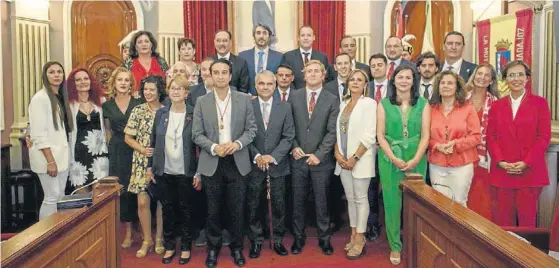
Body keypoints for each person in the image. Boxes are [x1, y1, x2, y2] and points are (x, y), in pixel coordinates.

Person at [192, 58, 257, 268]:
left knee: (237, 209)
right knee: (213, 210)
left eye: (224, 72)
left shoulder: (244, 99)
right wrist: (213, 147)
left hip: (237, 161)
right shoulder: (202, 101)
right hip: (212, 161)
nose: (220, 76)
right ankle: (213, 250)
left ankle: (237, 248)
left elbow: (251, 130)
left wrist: (237, 144)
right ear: (210, 76)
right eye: (216, 72)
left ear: (230, 75)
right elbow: (196, 134)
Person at [487, 60, 551, 227]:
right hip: (503, 172)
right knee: (503, 225)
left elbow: (543, 137)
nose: (516, 79)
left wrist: (526, 162)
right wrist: (501, 162)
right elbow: (491, 137)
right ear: (505, 79)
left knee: (526, 223)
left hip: (529, 172)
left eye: (520, 74)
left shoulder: (540, 103)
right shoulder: (496, 106)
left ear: (527, 78)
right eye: (511, 75)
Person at [376, 65, 430, 265]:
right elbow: (380, 135)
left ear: (414, 81)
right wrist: (393, 157)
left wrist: (416, 159)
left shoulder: (423, 104)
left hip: (416, 157)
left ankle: (417, 243)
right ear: (394, 80)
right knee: (392, 204)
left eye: (408, 77)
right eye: (400, 77)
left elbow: (426, 134)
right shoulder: (383, 103)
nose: (404, 80)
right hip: (390, 158)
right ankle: (395, 246)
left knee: (416, 204)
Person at [147, 76, 201, 265]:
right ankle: (170, 246)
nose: (176, 91)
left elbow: (200, 146)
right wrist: (149, 166)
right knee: (168, 210)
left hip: (187, 172)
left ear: (187, 93)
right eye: (173, 88)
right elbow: (152, 142)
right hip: (164, 171)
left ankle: (186, 247)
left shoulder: (194, 114)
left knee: (186, 210)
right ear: (168, 92)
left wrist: (199, 172)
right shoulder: (161, 114)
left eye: (181, 89)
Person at [288, 60, 339, 256]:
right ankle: (298, 238)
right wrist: (293, 146)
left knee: (322, 202)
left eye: (317, 71)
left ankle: (324, 239)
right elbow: (288, 126)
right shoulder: (294, 96)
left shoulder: (332, 98)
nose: (313, 74)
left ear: (324, 74)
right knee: (298, 202)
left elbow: (332, 131)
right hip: (298, 159)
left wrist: (319, 154)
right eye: (309, 71)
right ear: (303, 74)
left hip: (321, 161)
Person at [246, 70, 295, 258]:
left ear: (275, 86)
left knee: (279, 205)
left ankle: (277, 239)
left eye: (269, 84)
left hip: (277, 165)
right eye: (261, 84)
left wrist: (272, 156)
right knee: (253, 205)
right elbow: (244, 135)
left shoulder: (284, 107)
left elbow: (288, 136)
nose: (265, 87)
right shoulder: (248, 106)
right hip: (254, 165)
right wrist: (257, 155)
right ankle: (256, 240)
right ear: (256, 85)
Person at [334, 69, 376, 260]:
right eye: (352, 79)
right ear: (348, 83)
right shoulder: (344, 104)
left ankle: (360, 237)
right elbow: (338, 133)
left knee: (361, 198)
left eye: (360, 80)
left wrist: (355, 158)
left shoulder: (369, 104)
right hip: (343, 161)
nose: (356, 82)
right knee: (350, 199)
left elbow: (370, 134)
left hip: (360, 159)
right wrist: (337, 154)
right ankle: (352, 233)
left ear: (365, 85)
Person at [124, 75, 166, 258]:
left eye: (152, 90)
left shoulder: (167, 110)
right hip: (141, 162)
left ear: (159, 91)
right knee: (143, 201)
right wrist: (142, 149)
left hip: (163, 163)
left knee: (162, 203)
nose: (148, 93)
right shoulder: (138, 110)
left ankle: (159, 239)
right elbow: (127, 137)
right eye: (145, 89)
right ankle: (146, 239)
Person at [102, 67, 143, 249]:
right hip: (118, 150)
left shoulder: (139, 103)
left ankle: (141, 228)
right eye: (120, 80)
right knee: (124, 191)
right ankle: (127, 231)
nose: (124, 83)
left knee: (140, 190)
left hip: (137, 150)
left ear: (131, 83)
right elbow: (108, 131)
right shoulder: (106, 106)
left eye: (127, 80)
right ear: (114, 83)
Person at [428, 70, 481, 206]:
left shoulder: (468, 108)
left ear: (457, 87)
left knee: (459, 204)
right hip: (437, 164)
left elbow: (476, 137)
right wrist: (437, 146)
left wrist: (455, 144)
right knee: (439, 205)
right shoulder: (429, 109)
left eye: (450, 83)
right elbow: (424, 136)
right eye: (442, 83)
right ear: (437, 87)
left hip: (462, 164)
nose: (445, 86)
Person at [28, 61, 73, 219]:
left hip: (61, 156)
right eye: (52, 72)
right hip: (48, 158)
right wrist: (50, 161)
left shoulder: (61, 97)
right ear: (45, 76)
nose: (56, 75)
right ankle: (45, 236)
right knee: (51, 198)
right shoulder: (40, 98)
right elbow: (38, 134)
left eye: (59, 72)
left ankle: (56, 234)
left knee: (59, 197)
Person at [465, 64, 499, 220]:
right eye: (479, 74)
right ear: (474, 76)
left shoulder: (496, 103)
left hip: (483, 160)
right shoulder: (462, 98)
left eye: (487, 75)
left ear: (491, 80)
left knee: (481, 201)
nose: (482, 78)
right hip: (462, 156)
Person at [66, 68, 108, 192]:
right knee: (82, 198)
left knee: (99, 196)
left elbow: (108, 127)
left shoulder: (101, 102)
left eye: (85, 78)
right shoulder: (68, 105)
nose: (82, 82)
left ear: (91, 81)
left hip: (100, 155)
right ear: (73, 84)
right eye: (78, 80)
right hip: (77, 156)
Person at [239, 23, 283, 95]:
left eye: (265, 33)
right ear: (254, 36)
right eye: (258, 33)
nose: (261, 36)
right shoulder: (243, 56)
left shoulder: (279, 57)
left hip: (272, 99)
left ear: (269, 37)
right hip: (249, 100)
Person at [123, 31, 169, 95]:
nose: (144, 44)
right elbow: (123, 85)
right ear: (135, 47)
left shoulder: (161, 62)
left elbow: (168, 84)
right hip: (136, 101)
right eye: (140, 42)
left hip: (159, 100)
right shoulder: (128, 64)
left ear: (151, 45)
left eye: (146, 41)